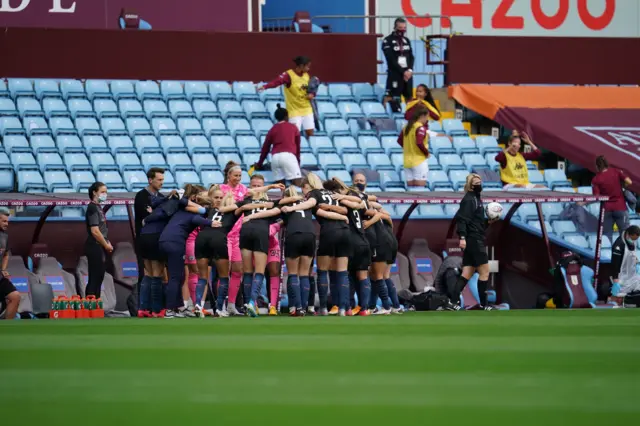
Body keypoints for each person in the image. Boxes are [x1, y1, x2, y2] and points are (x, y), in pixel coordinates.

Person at [138, 185, 207, 317]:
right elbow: (194, 209)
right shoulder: (180, 204)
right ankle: (162, 309)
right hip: (163, 238)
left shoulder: (172, 201)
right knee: (164, 275)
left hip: (149, 236)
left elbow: (157, 204)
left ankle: (148, 308)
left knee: (156, 274)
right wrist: (202, 209)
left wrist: (148, 217)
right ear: (194, 197)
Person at [159, 192, 214, 318]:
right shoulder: (192, 214)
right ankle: (169, 309)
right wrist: (212, 223)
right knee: (175, 277)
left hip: (164, 241)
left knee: (179, 276)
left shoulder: (181, 211)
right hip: (175, 243)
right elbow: (199, 219)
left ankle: (178, 307)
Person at [303, 173, 352, 316]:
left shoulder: (314, 194)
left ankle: (323, 307)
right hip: (345, 231)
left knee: (322, 270)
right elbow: (345, 210)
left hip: (329, 231)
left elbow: (314, 207)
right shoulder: (333, 193)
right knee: (342, 272)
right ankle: (343, 308)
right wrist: (341, 215)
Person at [451, 174, 498, 310]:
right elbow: (462, 219)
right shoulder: (469, 200)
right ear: (471, 185)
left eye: (480, 181)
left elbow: (475, 223)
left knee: (467, 272)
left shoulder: (477, 199)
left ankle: (453, 302)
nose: (479, 184)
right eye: (477, 182)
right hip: (474, 240)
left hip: (474, 238)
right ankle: (484, 304)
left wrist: (488, 222)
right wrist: (463, 237)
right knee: (484, 272)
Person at [194, 186, 240, 317]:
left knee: (202, 276)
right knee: (224, 276)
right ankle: (219, 308)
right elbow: (243, 205)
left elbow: (191, 210)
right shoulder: (233, 212)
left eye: (221, 197)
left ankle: (198, 304)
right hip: (219, 239)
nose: (219, 200)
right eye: (216, 197)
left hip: (202, 238)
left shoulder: (206, 210)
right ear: (211, 198)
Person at [236, 188, 281, 317]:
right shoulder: (270, 204)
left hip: (245, 231)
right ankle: (251, 301)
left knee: (248, 271)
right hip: (261, 232)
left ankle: (247, 304)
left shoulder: (247, 202)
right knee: (260, 271)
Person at [249, 173, 284, 316]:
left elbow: (285, 218)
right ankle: (253, 303)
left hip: (271, 243)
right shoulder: (245, 201)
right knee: (253, 273)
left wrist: (274, 227)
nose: (257, 189)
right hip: (254, 243)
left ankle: (273, 306)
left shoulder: (272, 204)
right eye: (254, 186)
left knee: (274, 272)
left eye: (260, 186)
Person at [279, 186, 317, 316]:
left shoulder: (284, 205)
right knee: (304, 274)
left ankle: (297, 307)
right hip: (310, 234)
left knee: (293, 274)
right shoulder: (307, 204)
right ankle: (304, 307)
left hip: (294, 234)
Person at [258, 56, 315, 137]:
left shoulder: (307, 75)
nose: (309, 68)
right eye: (307, 66)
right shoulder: (288, 75)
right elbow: (276, 82)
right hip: (294, 110)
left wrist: (312, 94)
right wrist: (265, 86)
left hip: (307, 109)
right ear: (301, 66)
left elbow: (311, 89)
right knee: (294, 135)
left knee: (310, 134)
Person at [133, 167, 165, 308]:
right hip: (149, 238)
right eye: (159, 180)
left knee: (149, 273)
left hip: (149, 238)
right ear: (150, 180)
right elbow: (149, 217)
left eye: (163, 180)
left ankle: (144, 307)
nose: (161, 183)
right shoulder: (141, 196)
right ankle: (156, 308)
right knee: (155, 273)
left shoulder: (161, 197)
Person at [255, 104, 302, 186]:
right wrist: (297, 161)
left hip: (275, 158)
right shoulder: (293, 127)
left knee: (280, 187)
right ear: (287, 116)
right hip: (288, 156)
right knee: (299, 184)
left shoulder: (272, 129)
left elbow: (265, 148)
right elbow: (298, 146)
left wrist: (259, 163)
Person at [592, 155, 632, 243]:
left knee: (606, 236)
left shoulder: (596, 179)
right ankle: (628, 253)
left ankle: (608, 254)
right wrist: (622, 187)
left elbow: (596, 197)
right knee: (626, 234)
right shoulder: (616, 171)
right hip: (620, 207)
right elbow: (629, 181)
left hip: (606, 209)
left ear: (597, 166)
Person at [85, 182, 113, 298]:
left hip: (100, 245)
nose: (105, 194)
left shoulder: (98, 207)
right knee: (95, 276)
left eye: (106, 192)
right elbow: (95, 231)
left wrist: (106, 241)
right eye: (102, 192)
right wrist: (105, 245)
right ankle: (89, 306)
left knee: (100, 275)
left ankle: (96, 304)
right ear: (94, 193)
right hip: (94, 245)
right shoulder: (92, 207)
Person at [382, 17, 414, 113]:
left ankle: (410, 117)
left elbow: (411, 57)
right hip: (395, 74)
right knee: (390, 96)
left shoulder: (406, 40)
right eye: (400, 27)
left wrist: (410, 70)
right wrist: (403, 71)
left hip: (407, 75)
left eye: (404, 28)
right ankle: (386, 115)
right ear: (395, 27)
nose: (402, 30)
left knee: (409, 97)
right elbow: (390, 59)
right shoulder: (387, 41)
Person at [398, 106, 430, 188]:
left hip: (407, 161)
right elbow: (419, 142)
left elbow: (399, 141)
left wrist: (409, 148)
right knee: (419, 191)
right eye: (427, 117)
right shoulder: (420, 127)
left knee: (411, 191)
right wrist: (426, 153)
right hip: (418, 161)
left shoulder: (406, 127)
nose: (427, 120)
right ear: (422, 116)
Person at [0, 208, 20, 320]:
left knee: (15, 296)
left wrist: (3, 269)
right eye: (4, 221)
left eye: (7, 221)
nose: (6, 224)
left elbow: (6, 254)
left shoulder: (4, 236)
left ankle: (8, 325)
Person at [610, 225, 640, 296]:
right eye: (633, 239)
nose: (634, 241)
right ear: (628, 234)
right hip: (621, 278)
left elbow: (632, 254)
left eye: (636, 239)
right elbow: (615, 264)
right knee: (621, 296)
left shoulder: (631, 240)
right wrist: (615, 281)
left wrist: (636, 261)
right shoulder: (618, 245)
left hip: (632, 276)